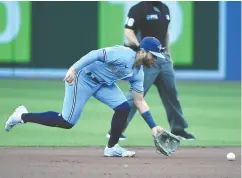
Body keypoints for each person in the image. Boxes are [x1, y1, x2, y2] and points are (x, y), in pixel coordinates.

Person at [5, 37, 165, 157]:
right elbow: (95, 54)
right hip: (82, 78)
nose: (156, 60)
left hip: (103, 84)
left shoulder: (138, 74)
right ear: (143, 51)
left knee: (124, 108)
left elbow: (139, 101)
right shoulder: (123, 54)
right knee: (67, 122)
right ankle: (22, 116)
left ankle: (112, 147)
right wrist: (74, 69)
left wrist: (153, 126)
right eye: (154, 55)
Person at [107, 1, 195, 141]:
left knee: (171, 93)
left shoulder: (164, 8)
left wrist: (169, 56)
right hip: (148, 59)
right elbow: (128, 31)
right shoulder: (139, 9)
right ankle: (116, 130)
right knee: (135, 95)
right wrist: (140, 47)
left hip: (163, 57)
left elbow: (166, 33)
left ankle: (178, 129)